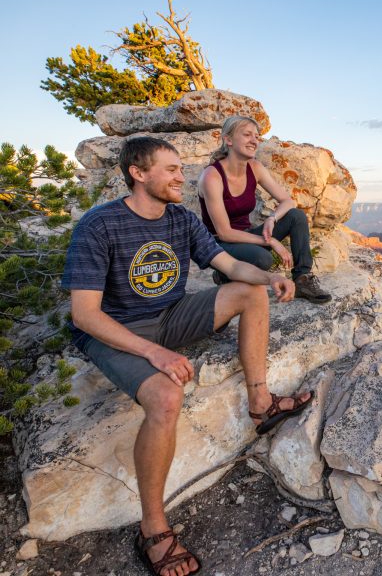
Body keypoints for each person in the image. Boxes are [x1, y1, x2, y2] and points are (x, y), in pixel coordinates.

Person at [62, 137, 313, 576]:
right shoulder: (99, 226)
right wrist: (153, 352)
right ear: (138, 173)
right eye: (172, 169)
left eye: (182, 169)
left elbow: (229, 266)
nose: (183, 177)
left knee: (251, 293)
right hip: (117, 330)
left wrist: (269, 278)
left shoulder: (179, 218)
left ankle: (260, 402)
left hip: (171, 315)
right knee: (165, 398)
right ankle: (153, 528)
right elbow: (83, 314)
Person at [198, 115, 332, 304]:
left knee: (296, 216)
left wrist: (272, 219)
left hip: (245, 236)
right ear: (228, 140)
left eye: (257, 136)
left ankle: (302, 279)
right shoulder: (212, 176)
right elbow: (225, 232)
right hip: (220, 243)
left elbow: (287, 201)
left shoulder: (255, 167)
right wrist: (271, 242)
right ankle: (224, 273)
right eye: (247, 135)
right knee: (263, 259)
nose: (254, 141)